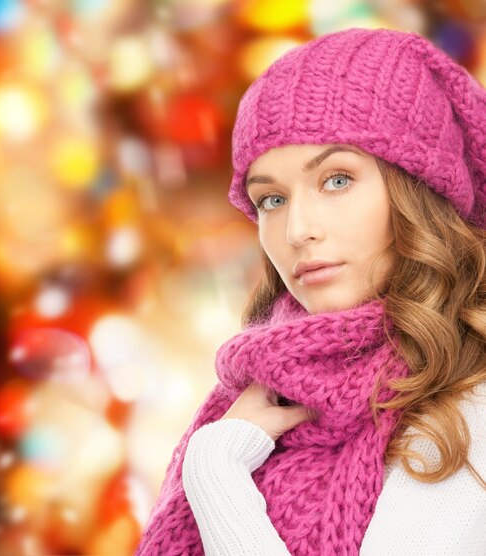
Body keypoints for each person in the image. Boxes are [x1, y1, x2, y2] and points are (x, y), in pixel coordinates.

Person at [135, 27, 486, 555]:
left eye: (336, 180)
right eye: (271, 199)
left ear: (419, 189)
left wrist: (216, 470)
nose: (297, 229)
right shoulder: (263, 391)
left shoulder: (465, 409)